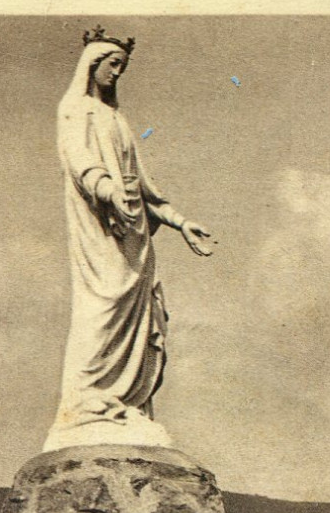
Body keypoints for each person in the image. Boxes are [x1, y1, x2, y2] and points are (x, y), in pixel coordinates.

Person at [45, 28, 214, 453]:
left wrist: (179, 222)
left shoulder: (117, 119)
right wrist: (108, 191)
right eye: (111, 64)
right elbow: (80, 162)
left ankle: (125, 401)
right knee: (101, 308)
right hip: (102, 228)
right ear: (92, 64)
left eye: (122, 67)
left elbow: (145, 187)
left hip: (135, 237)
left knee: (136, 317)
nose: (116, 73)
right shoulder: (75, 109)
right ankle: (87, 402)